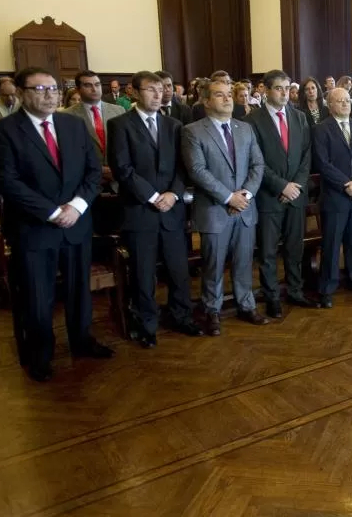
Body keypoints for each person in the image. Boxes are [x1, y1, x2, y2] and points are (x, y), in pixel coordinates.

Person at [0, 66, 111, 382]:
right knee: (37, 294)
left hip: (77, 223)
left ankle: (82, 340)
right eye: (40, 89)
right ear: (20, 92)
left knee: (78, 291)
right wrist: (51, 212)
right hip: (35, 228)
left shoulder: (72, 125)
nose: (50, 95)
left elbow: (93, 171)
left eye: (54, 88)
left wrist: (76, 207)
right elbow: (8, 181)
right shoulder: (4, 130)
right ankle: (40, 354)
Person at [106, 71, 201, 348]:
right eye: (151, 89)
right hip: (140, 210)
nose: (158, 94)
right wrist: (153, 195)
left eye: (161, 89)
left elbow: (183, 166)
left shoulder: (173, 125)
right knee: (143, 272)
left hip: (172, 209)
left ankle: (181, 316)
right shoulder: (120, 125)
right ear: (134, 92)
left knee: (178, 270)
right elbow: (123, 169)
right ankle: (146, 324)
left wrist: (173, 193)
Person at [181, 78, 269, 335]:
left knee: (244, 261)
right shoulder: (193, 131)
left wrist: (246, 194)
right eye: (219, 95)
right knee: (213, 264)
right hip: (214, 210)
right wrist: (228, 197)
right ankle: (212, 310)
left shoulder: (245, 128)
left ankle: (246, 304)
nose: (227, 98)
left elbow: (258, 165)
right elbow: (197, 170)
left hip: (245, 209)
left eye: (229, 94)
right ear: (206, 101)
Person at [246, 70, 317, 318]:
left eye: (288, 88)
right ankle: (272, 296)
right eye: (279, 88)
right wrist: (281, 186)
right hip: (269, 197)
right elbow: (255, 161)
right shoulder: (253, 120)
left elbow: (307, 156)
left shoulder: (299, 117)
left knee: (294, 247)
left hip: (296, 195)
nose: (285, 93)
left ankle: (295, 291)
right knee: (267, 251)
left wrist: (295, 185)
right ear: (266, 90)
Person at [313, 88, 352, 308]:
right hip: (335, 197)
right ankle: (327, 287)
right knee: (331, 244)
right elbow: (322, 163)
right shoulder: (321, 130)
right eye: (340, 101)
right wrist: (345, 184)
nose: (346, 104)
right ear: (330, 105)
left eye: (348, 100)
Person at [66, 71, 125, 189]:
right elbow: (69, 153)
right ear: (78, 89)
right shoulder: (66, 116)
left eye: (97, 84)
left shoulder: (119, 110)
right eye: (88, 85)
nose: (94, 89)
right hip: (87, 183)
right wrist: (100, 170)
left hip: (118, 180)